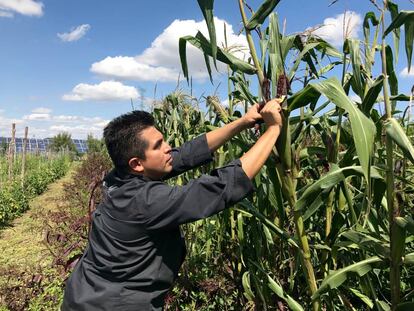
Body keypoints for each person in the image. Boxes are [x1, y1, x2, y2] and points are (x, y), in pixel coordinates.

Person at [61, 98, 283, 311]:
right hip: (115, 304)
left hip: (82, 293)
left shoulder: (118, 176)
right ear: (137, 163)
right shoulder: (146, 202)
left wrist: (243, 122)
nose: (168, 148)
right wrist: (273, 129)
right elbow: (221, 186)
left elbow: (185, 155)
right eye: (159, 146)